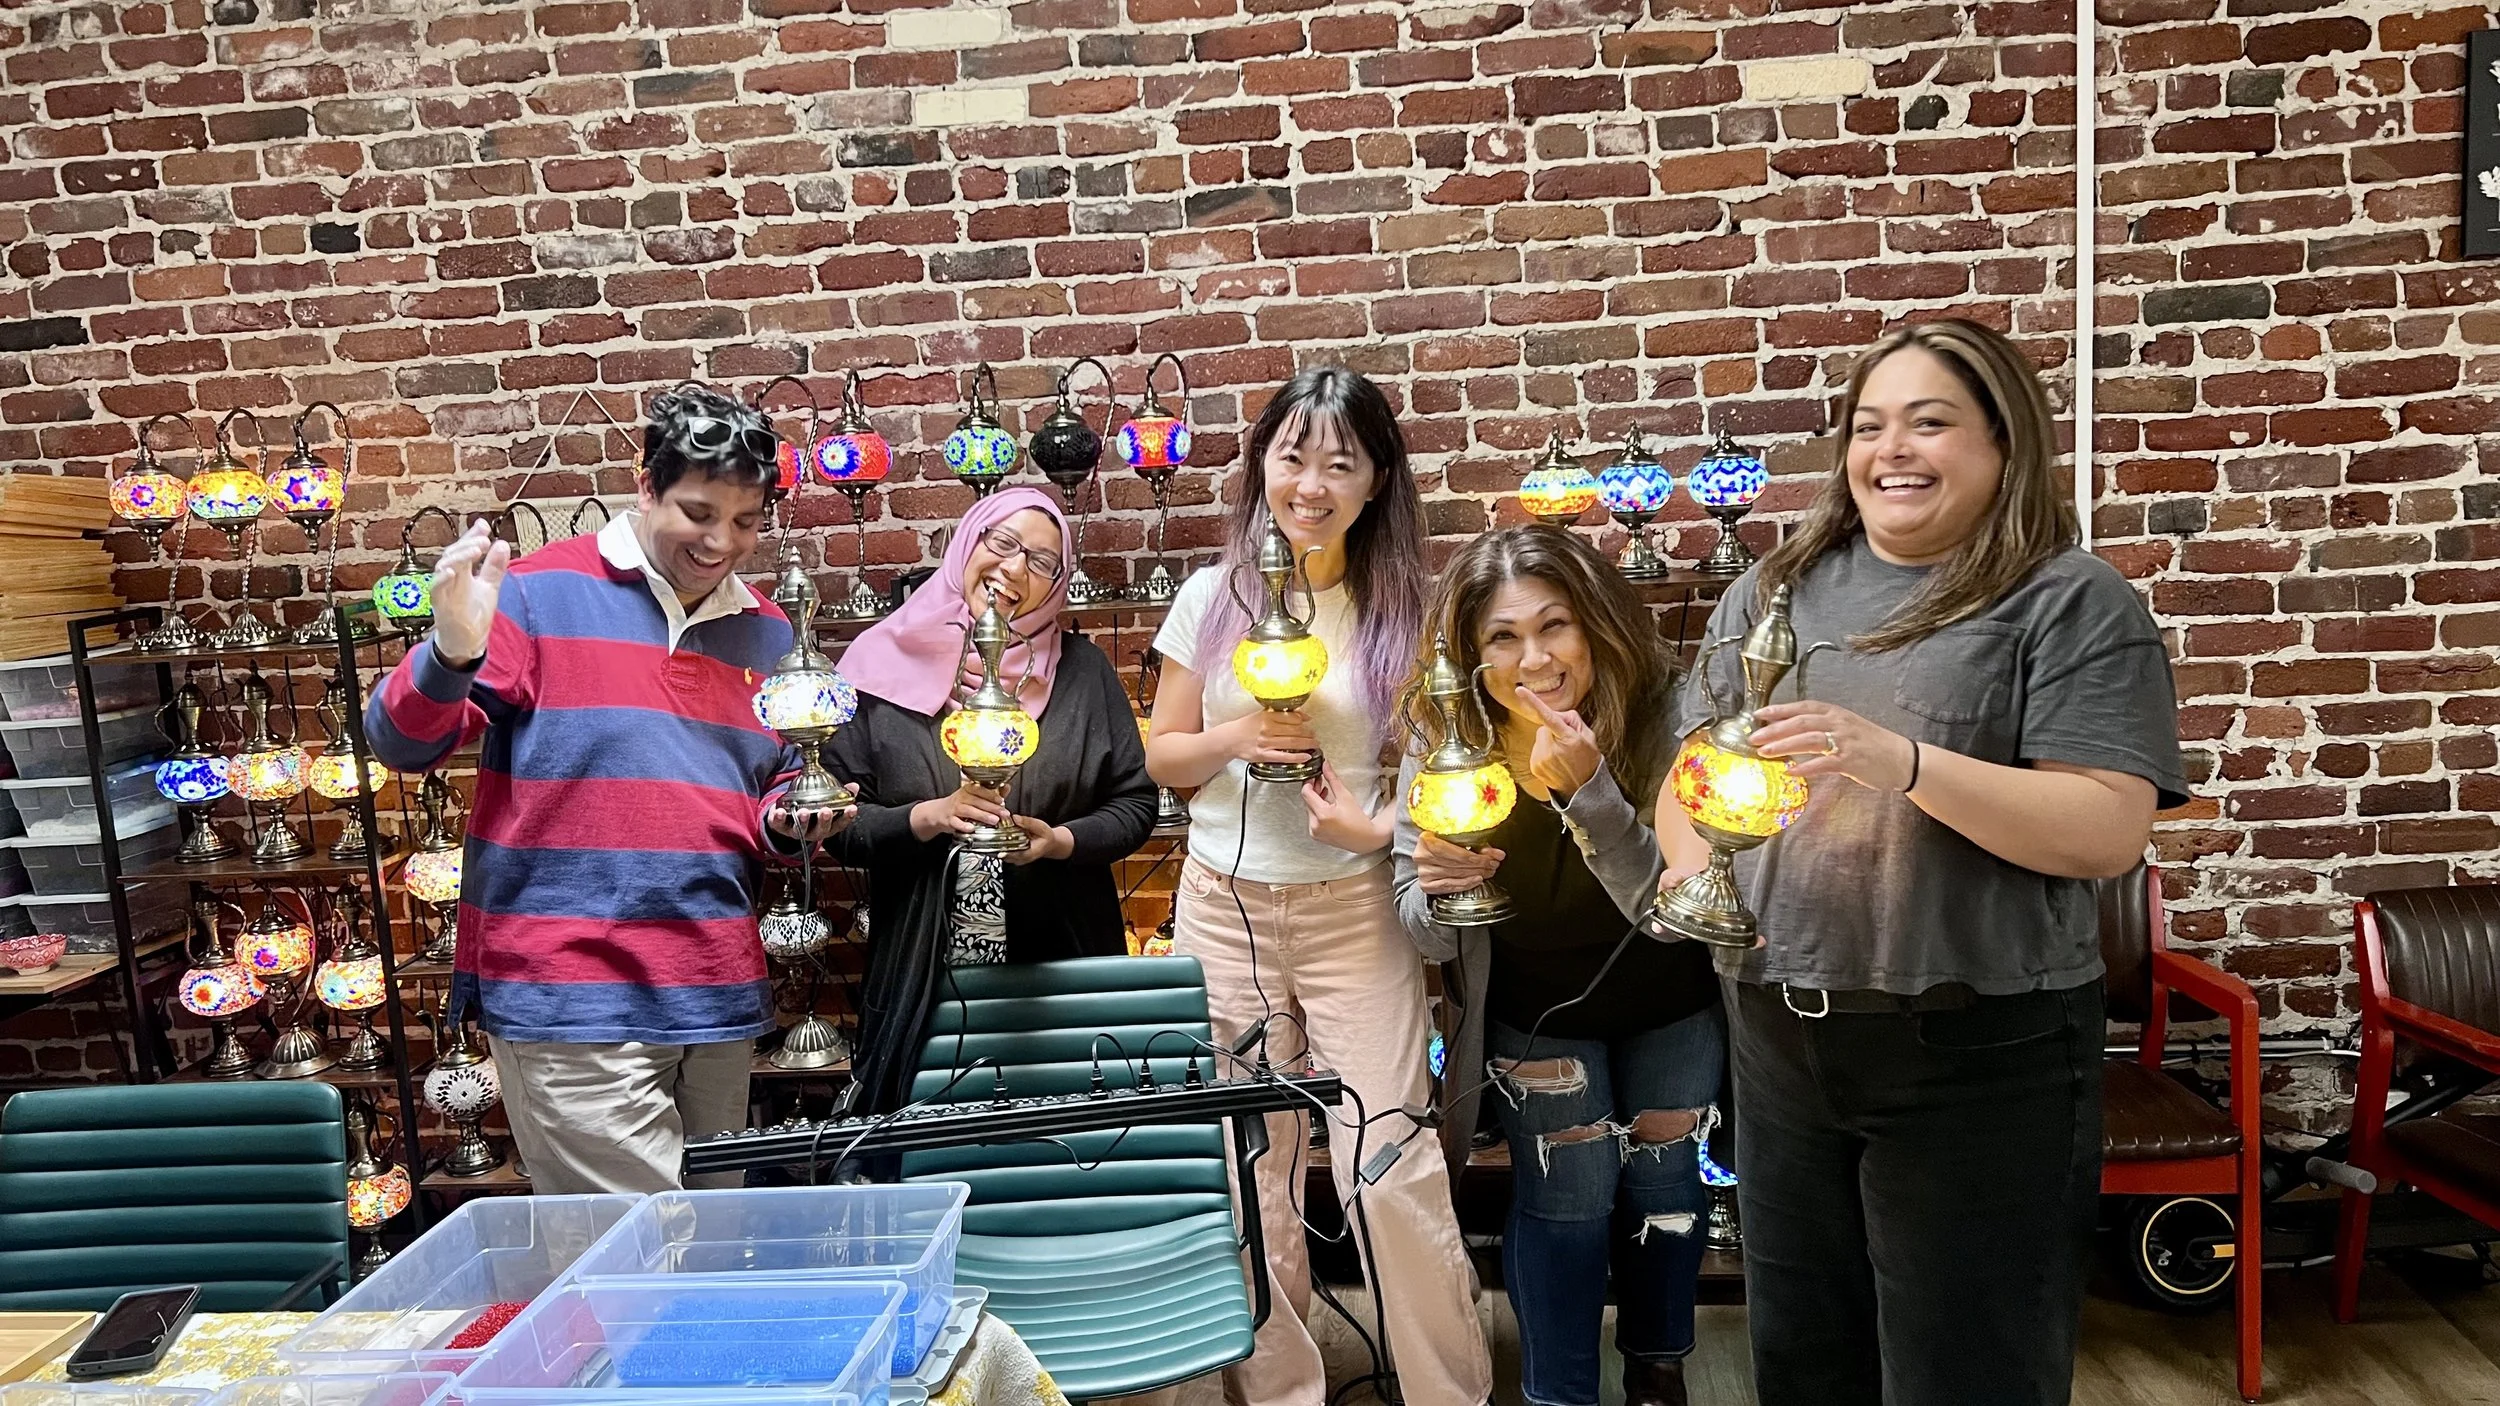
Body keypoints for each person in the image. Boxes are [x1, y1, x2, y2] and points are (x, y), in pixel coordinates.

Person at [1655, 321, 2186, 1406]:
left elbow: (2103, 828)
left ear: (2002, 442)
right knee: (1805, 1359)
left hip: (1980, 1048)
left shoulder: (2067, 599)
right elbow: (1688, 777)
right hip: (1777, 1032)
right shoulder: (1773, 590)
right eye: (1869, 424)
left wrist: (1896, 760)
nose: (1891, 449)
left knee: (1965, 1370)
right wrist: (1688, 875)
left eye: (1930, 421)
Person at [364, 385, 848, 1194]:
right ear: (646, 484)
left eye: (746, 521)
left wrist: (799, 812)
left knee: (708, 1243)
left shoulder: (767, 629)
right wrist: (449, 651)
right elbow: (400, 742)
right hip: (570, 990)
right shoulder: (535, 593)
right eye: (698, 513)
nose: (721, 542)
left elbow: (763, 787)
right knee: (635, 1260)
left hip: (715, 987)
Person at [1144, 367, 1492, 1406]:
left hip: (1354, 913)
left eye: (1340, 461)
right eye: (1292, 456)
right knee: (1248, 1173)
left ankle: (1445, 1389)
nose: (1311, 482)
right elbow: (1164, 755)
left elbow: (1452, 777)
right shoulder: (1211, 599)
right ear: (1261, 465)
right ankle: (1281, 1388)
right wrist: (1239, 734)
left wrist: (1379, 826)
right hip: (1221, 902)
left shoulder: (1413, 610)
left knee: (1388, 1159)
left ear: (1378, 479)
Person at [1391, 525, 1721, 1406]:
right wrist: (1436, 890)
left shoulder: (1666, 714)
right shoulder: (1448, 735)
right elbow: (1420, 928)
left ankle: (1659, 1368)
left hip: (1671, 998)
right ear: (1469, 653)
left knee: (1665, 1191)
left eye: (1555, 627)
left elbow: (1670, 915)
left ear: (1597, 626)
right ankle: (1559, 1392)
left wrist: (1590, 795)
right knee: (1567, 1205)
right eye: (1502, 637)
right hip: (1538, 1013)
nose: (1532, 658)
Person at [825, 485, 1157, 1117]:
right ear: (968, 541)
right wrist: (925, 818)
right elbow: (838, 823)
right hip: (921, 970)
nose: (1013, 569)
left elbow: (1135, 804)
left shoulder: (1080, 673)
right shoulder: (876, 667)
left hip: (1063, 961)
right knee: (928, 1148)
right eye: (1002, 543)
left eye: (1040, 561)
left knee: (1070, 1152)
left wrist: (1059, 841)